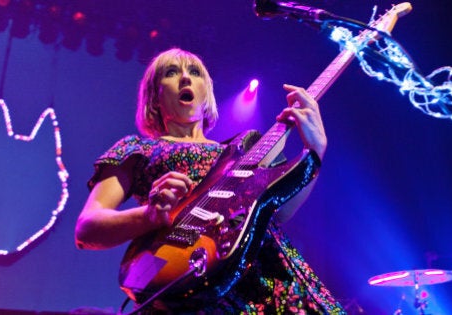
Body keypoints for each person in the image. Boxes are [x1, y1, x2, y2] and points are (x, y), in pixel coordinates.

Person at [75, 48, 345, 314]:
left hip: (267, 275)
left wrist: (315, 152)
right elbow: (87, 229)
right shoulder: (136, 149)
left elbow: (281, 210)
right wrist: (150, 216)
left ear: (207, 94)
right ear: (154, 98)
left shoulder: (245, 150)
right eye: (171, 72)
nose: (185, 78)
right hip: (189, 275)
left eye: (195, 73)